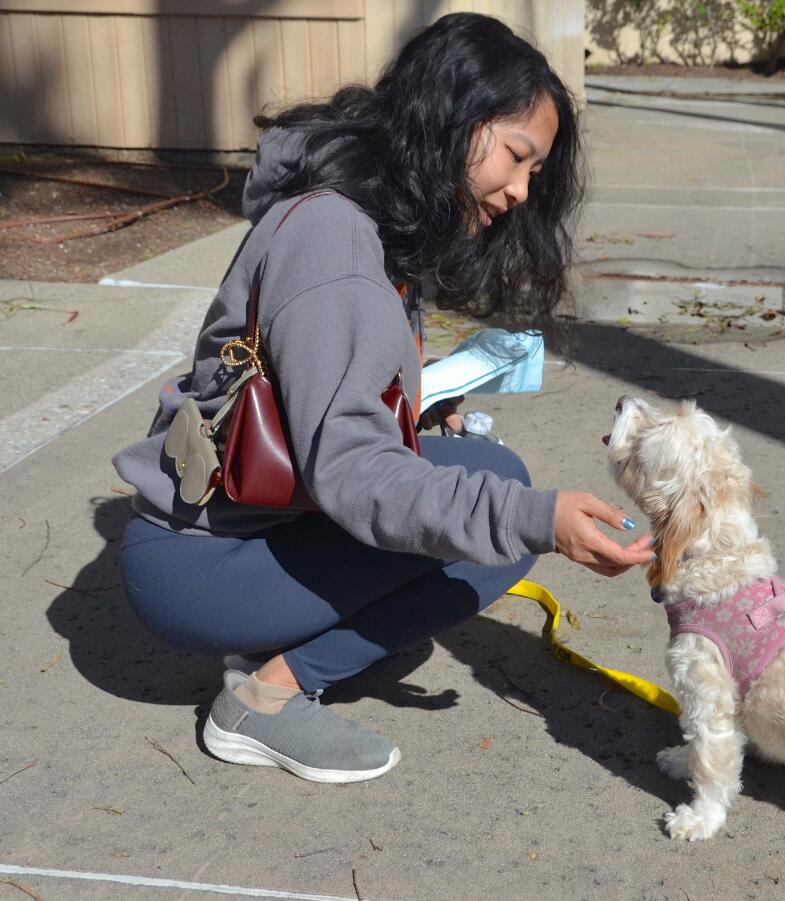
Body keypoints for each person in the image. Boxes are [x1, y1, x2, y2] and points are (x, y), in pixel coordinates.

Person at [113, 13, 654, 785]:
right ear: (455, 116)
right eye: (516, 156)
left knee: (486, 471)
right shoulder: (336, 242)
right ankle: (263, 698)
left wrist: (423, 409)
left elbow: (325, 388)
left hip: (248, 527)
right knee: (502, 508)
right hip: (197, 561)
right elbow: (356, 475)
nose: (522, 191)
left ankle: (283, 636)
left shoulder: (363, 214)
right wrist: (540, 519)